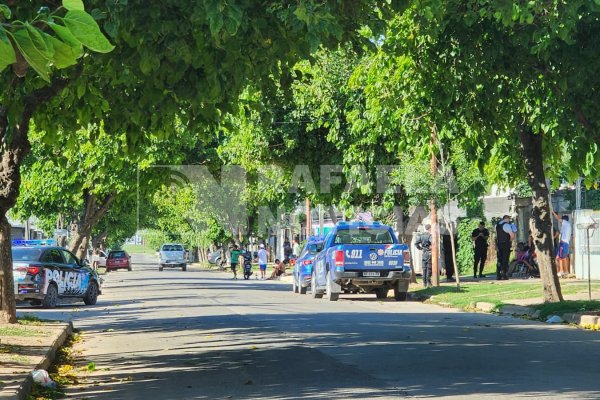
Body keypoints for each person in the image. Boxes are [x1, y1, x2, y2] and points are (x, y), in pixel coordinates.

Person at [552, 211, 572, 278]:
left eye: (561, 221)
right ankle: (565, 271)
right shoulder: (566, 226)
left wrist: (553, 212)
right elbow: (559, 233)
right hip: (564, 243)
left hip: (563, 243)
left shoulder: (565, 223)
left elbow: (558, 218)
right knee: (560, 257)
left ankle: (562, 271)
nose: (561, 222)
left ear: (564, 220)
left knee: (561, 257)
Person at [496, 215, 515, 280]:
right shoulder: (507, 225)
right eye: (509, 219)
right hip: (505, 244)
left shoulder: (498, 225)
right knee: (505, 259)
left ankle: (498, 274)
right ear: (506, 219)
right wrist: (510, 241)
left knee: (499, 259)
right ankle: (504, 274)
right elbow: (512, 235)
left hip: (499, 243)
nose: (509, 220)